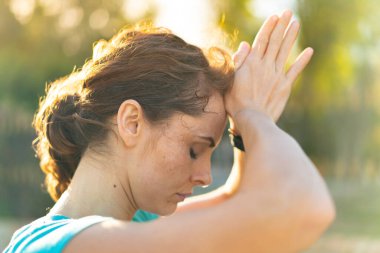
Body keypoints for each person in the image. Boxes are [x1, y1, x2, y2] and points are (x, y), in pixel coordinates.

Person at [4, 10, 335, 253]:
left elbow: (240, 200)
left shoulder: (136, 224)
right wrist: (254, 115)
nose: (205, 176)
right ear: (131, 122)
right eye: (194, 149)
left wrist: (244, 129)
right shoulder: (71, 246)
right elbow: (305, 209)